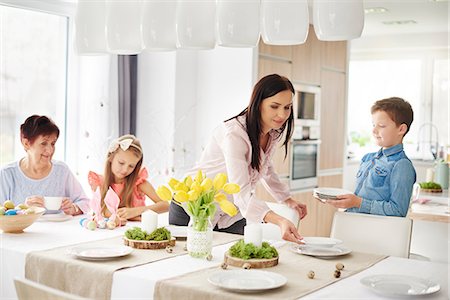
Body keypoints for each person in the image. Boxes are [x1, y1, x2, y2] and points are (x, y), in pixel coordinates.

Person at [169, 74, 307, 243]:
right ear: (258, 103)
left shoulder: (272, 132)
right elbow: (240, 192)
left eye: (287, 107)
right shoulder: (235, 134)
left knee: (239, 259)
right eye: (274, 106)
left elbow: (266, 167)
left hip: (229, 212)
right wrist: (279, 221)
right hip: (193, 206)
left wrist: (286, 199)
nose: (282, 114)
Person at [326, 97, 416, 217]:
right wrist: (349, 202)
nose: (374, 130)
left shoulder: (402, 165)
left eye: (382, 126)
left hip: (373, 230)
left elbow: (398, 211)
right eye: (373, 125)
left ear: (401, 129)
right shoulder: (367, 158)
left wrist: (358, 203)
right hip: (352, 222)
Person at [0, 115, 88, 215]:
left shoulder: (62, 171)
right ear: (26, 143)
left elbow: (85, 202)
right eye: (43, 143)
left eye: (53, 143)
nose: (50, 150)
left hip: (58, 230)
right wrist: (23, 211)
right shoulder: (7, 174)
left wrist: (74, 208)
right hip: (21, 230)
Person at [88, 134, 168, 225]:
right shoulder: (99, 182)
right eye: (121, 163)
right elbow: (103, 210)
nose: (125, 170)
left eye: (131, 166)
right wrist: (115, 218)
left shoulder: (139, 183)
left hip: (138, 231)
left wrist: (136, 211)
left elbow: (165, 205)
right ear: (111, 157)